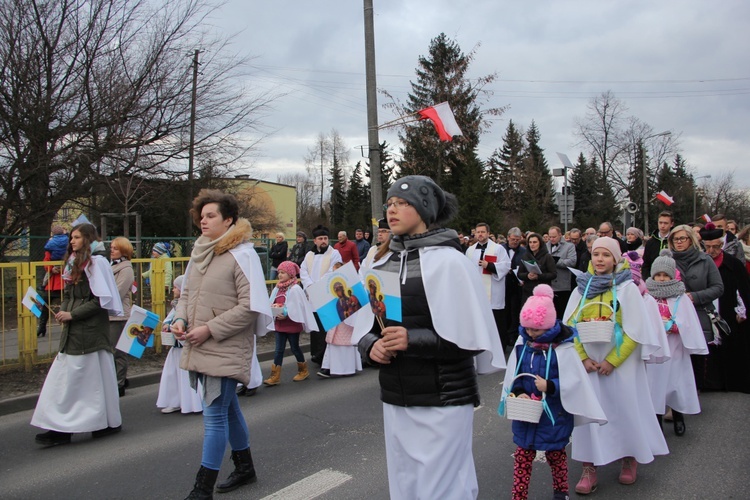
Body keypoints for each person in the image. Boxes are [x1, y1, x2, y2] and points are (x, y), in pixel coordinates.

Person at [354, 175, 505, 500]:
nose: (392, 210)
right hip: (396, 396)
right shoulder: (384, 262)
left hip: (444, 396)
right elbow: (366, 325)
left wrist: (411, 339)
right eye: (390, 203)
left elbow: (470, 339)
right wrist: (371, 347)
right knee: (406, 485)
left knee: (444, 489)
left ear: (425, 209)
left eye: (402, 203)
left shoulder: (451, 262)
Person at [171, 190, 273, 498]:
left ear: (229, 220)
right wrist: (180, 320)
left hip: (226, 344)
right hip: (200, 341)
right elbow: (187, 295)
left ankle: (203, 489)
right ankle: (245, 467)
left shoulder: (243, 254)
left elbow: (250, 306)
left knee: (214, 415)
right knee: (228, 411)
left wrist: (209, 330)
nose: (204, 221)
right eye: (201, 216)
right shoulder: (201, 251)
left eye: (211, 215)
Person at [564, 237, 668, 494]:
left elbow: (636, 330)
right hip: (589, 365)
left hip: (621, 364)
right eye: (596, 254)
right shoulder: (581, 289)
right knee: (589, 413)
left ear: (616, 259)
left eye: (606, 255)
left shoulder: (627, 288)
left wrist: (614, 360)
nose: (600, 259)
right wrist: (583, 357)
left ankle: (629, 457)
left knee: (624, 408)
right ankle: (589, 466)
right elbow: (570, 327)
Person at [502, 284, 605, 500]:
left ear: (548, 326)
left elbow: (573, 380)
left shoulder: (563, 350)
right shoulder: (524, 346)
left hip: (554, 415)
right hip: (526, 414)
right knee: (522, 456)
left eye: (536, 330)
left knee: (556, 455)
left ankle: (561, 493)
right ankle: (518, 495)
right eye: (528, 328)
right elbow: (515, 374)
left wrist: (550, 386)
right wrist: (518, 391)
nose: (531, 333)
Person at [31, 223, 124, 446]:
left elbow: (100, 301)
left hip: (89, 332)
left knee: (80, 382)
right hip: (75, 332)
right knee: (73, 380)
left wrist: (72, 314)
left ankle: (69, 427)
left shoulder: (97, 263)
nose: (71, 241)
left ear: (87, 239)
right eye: (71, 237)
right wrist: (64, 311)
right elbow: (70, 294)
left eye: (76, 237)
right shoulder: (74, 262)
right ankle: (76, 425)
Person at [645, 250, 708, 436]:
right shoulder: (647, 296)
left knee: (675, 382)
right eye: (659, 275)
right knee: (653, 384)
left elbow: (689, 322)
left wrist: (676, 327)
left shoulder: (680, 296)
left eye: (666, 275)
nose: (662, 279)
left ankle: (678, 415)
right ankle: (656, 419)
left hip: (675, 346)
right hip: (655, 348)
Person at [668, 224, 724, 391]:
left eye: (682, 238)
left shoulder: (704, 260)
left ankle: (695, 391)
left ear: (691, 240)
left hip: (699, 313)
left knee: (696, 355)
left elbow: (718, 287)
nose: (678, 242)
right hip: (673, 314)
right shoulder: (668, 261)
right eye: (674, 239)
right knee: (676, 355)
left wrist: (695, 297)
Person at [700, 223, 750, 393]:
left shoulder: (733, 264)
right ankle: (707, 383)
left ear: (721, 245)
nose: (711, 250)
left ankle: (730, 381)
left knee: (729, 343)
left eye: (715, 246)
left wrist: (742, 310)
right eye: (707, 247)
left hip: (728, 309)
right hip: (705, 310)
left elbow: (744, 289)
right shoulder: (700, 263)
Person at [263, 260, 317, 386]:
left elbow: (298, 306)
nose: (280, 275)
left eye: (283, 273)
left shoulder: (295, 288)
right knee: (278, 350)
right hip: (279, 324)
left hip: (292, 324)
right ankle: (275, 375)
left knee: (295, 348)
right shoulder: (277, 288)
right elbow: (272, 301)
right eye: (279, 273)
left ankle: (303, 370)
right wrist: (273, 310)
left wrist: (286, 313)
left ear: (291, 274)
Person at [156, 275, 203, 414]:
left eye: (176, 287)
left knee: (185, 375)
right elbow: (170, 318)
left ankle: (193, 402)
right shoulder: (176, 304)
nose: (173, 290)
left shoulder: (189, 305)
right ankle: (174, 400)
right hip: (175, 348)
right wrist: (166, 325)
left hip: (184, 346)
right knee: (172, 375)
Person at [300, 225, 343, 365]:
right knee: (316, 327)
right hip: (312, 295)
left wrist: (319, 286)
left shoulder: (334, 253)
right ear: (315, 240)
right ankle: (316, 354)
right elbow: (303, 271)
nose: (324, 241)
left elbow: (334, 271)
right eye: (320, 238)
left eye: (325, 238)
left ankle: (327, 356)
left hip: (327, 295)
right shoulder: (309, 255)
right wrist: (310, 286)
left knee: (327, 326)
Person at [466, 223, 512, 348]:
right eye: (478, 232)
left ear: (488, 233)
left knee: (496, 321)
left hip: (493, 290)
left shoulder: (498, 249)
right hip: (477, 290)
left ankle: (499, 346)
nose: (480, 234)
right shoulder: (470, 250)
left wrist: (490, 266)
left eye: (482, 232)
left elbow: (506, 266)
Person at [318, 262, 363, 378]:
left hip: (348, 322)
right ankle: (328, 367)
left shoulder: (351, 292)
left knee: (345, 344)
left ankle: (347, 368)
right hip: (335, 322)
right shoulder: (335, 293)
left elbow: (356, 304)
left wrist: (348, 312)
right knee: (332, 344)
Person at [108, 237, 135, 397]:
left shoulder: (126, 269)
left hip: (119, 315)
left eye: (115, 248)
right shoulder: (112, 266)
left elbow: (117, 292)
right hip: (109, 314)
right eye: (111, 247)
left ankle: (119, 383)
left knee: (118, 351)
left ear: (124, 251)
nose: (111, 250)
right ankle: (119, 379)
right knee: (111, 350)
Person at [37, 225, 69, 337]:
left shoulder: (50, 244)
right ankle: (67, 328)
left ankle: (42, 326)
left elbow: (46, 260)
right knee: (67, 304)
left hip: (53, 281)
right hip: (66, 278)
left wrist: (51, 269)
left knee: (45, 304)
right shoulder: (69, 242)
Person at [503, 227, 530, 348]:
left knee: (515, 310)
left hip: (517, 285)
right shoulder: (500, 249)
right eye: (513, 239)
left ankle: (513, 335)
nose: (514, 242)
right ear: (508, 237)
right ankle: (504, 335)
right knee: (504, 310)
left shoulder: (524, 251)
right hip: (502, 283)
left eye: (517, 240)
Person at [518, 233, 557, 304]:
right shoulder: (525, 256)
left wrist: (538, 276)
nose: (532, 244)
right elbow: (519, 274)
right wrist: (527, 275)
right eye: (530, 242)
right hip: (528, 291)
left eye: (535, 242)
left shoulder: (547, 257)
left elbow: (553, 274)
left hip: (543, 290)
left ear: (540, 243)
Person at [547, 226, 577, 319]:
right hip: (549, 284)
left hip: (563, 285)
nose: (551, 239)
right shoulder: (545, 246)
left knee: (562, 313)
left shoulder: (569, 246)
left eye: (554, 237)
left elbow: (572, 262)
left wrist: (555, 261)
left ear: (560, 235)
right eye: (550, 237)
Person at [643, 211, 674, 278]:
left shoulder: (674, 240)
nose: (662, 226)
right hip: (652, 279)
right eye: (660, 223)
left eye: (666, 223)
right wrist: (646, 279)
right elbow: (646, 263)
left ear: (671, 224)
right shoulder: (650, 242)